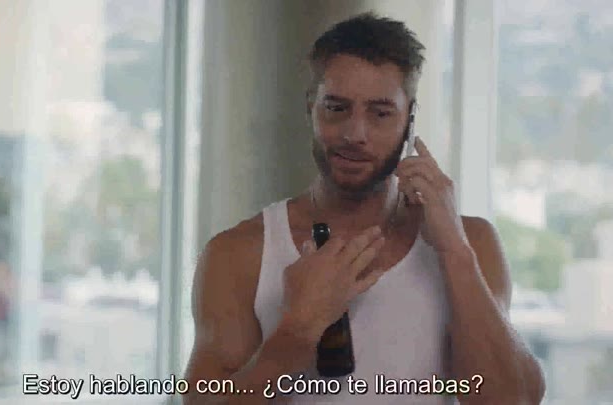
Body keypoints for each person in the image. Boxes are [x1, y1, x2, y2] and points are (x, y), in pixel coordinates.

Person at [183, 12, 545, 405]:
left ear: (409, 119)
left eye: (380, 113)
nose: (355, 134)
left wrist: (455, 253)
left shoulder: (470, 243)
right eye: (337, 108)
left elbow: (515, 401)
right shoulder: (239, 254)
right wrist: (296, 331)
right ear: (311, 108)